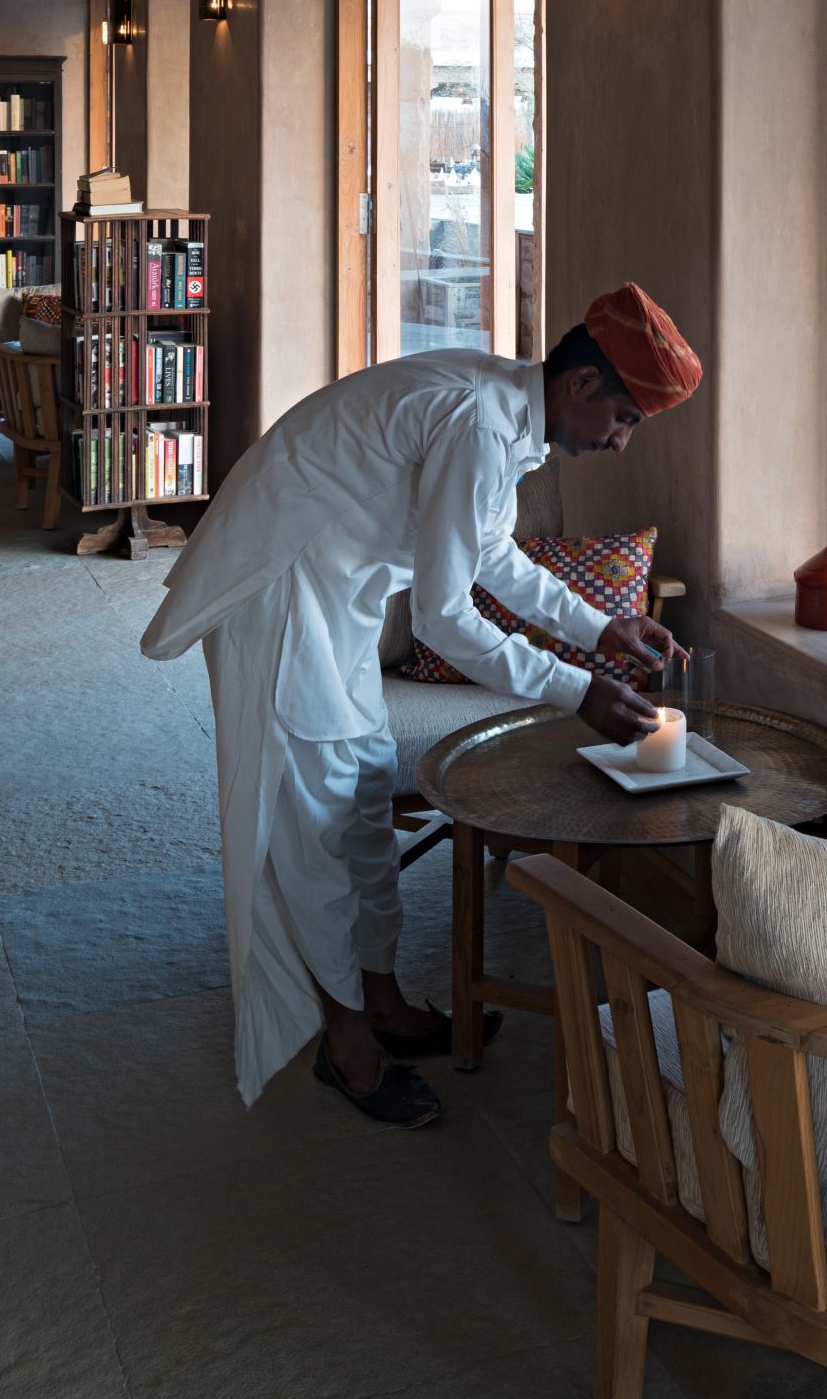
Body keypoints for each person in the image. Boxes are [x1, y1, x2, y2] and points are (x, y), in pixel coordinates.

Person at [141, 281, 701, 1127]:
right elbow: (446, 615)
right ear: (582, 385)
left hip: (337, 594)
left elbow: (486, 554)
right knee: (320, 818)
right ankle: (346, 1044)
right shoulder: (480, 420)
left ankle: (384, 1000)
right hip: (282, 590)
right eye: (623, 419)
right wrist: (576, 690)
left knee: (366, 793)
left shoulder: (506, 415)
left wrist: (600, 627)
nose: (620, 443)